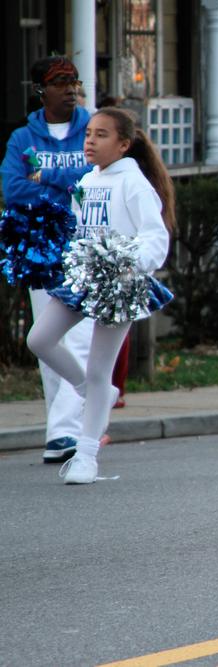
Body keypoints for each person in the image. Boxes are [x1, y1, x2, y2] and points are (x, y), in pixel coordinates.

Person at [25, 108, 174, 484]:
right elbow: (81, 230)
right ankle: (95, 393)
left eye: (101, 135)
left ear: (123, 144)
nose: (90, 140)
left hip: (119, 284)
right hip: (84, 277)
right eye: (89, 133)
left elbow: (156, 238)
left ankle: (86, 456)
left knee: (98, 367)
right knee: (39, 339)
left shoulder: (134, 183)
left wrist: (128, 263)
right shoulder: (89, 181)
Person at [1, 56, 94, 463]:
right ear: (41, 90)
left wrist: (50, 181)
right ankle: (66, 428)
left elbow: (94, 181)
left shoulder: (93, 128)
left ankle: (63, 431)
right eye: (60, 82)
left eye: (74, 81)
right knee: (48, 340)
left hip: (87, 244)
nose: (71, 88)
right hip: (42, 248)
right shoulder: (24, 139)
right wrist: (64, 193)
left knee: (81, 339)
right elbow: (14, 189)